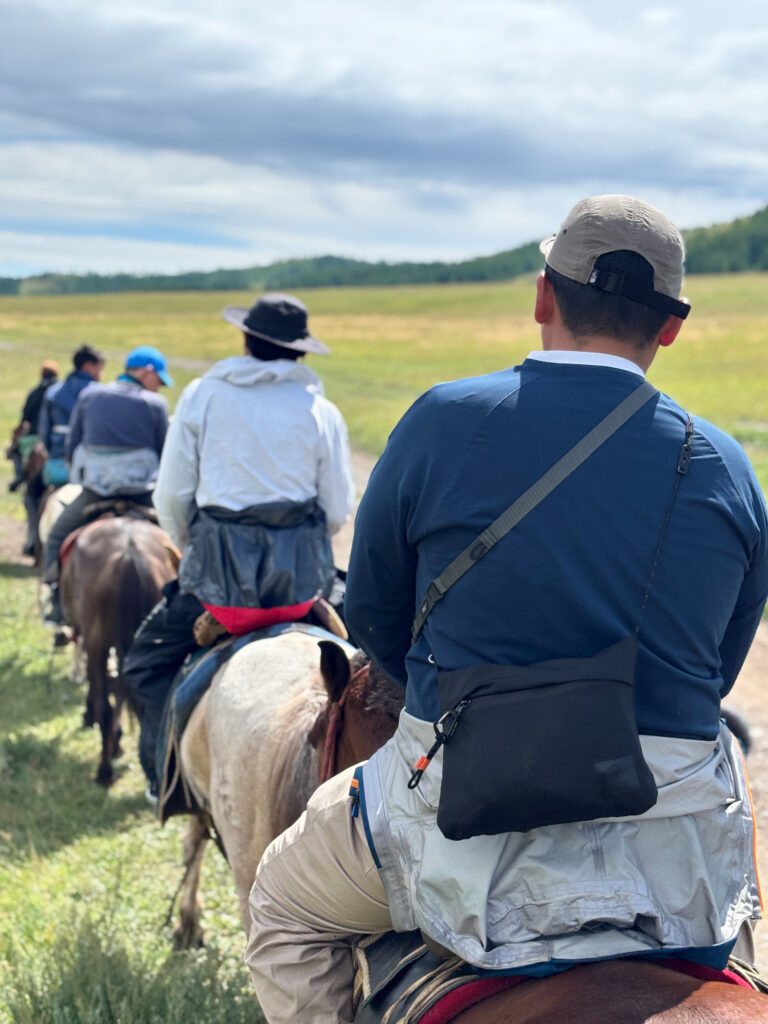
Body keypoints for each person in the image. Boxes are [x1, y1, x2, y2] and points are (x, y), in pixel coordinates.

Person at [244, 196, 768, 1023]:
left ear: (541, 297)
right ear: (670, 328)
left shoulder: (442, 418)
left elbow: (377, 617)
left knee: (283, 905)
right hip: (671, 816)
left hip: (465, 784)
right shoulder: (729, 467)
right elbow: (719, 666)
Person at [123, 292, 355, 802]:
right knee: (372, 667)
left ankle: (165, 781)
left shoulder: (203, 395)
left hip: (217, 592)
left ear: (246, 340)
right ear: (301, 351)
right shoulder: (321, 410)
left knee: (145, 665)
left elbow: (172, 495)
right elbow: (338, 508)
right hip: (300, 587)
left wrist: (195, 549)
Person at [42, 345, 171, 627]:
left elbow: (73, 442)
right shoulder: (155, 404)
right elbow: (165, 453)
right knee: (181, 540)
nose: (159, 388)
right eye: (159, 381)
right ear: (147, 373)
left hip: (96, 491)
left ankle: (54, 599)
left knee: (56, 536)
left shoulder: (90, 395)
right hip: (142, 492)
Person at [38, 344, 104, 477]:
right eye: (100, 368)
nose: (101, 373)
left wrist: (53, 453)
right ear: (88, 366)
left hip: (59, 458)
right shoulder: (100, 393)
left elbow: (44, 431)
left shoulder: (52, 392)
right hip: (92, 461)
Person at [7, 360, 59, 491]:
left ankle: (19, 477)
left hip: (34, 436)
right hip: (55, 437)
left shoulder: (34, 393)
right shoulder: (59, 392)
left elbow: (25, 419)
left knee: (15, 451)